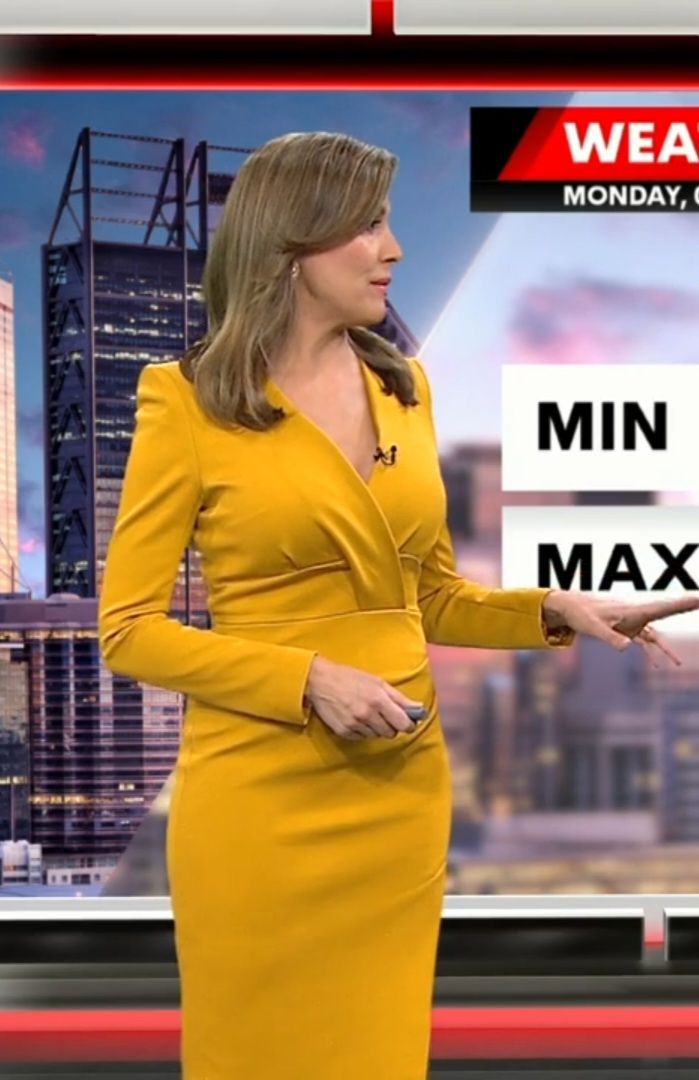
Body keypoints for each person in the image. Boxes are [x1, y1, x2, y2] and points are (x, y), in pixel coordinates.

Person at [97, 130, 698, 1080]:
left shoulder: (404, 388)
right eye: (367, 225)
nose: (393, 248)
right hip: (256, 802)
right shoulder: (187, 401)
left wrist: (557, 608)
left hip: (395, 795)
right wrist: (307, 679)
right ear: (293, 241)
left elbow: (427, 595)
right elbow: (128, 632)